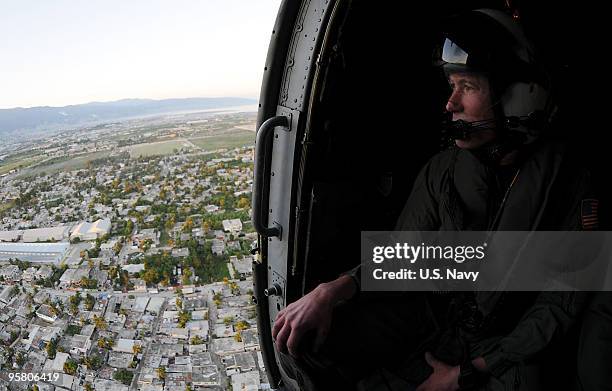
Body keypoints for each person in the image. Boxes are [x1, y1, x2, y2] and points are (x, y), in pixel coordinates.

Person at [273, 8, 593, 391]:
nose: (450, 103)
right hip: (438, 325)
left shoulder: (570, 180)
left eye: (469, 87)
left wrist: (468, 374)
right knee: (306, 341)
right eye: (451, 85)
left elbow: (560, 304)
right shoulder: (444, 170)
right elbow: (405, 255)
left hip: (506, 352)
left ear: (517, 98)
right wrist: (333, 289)